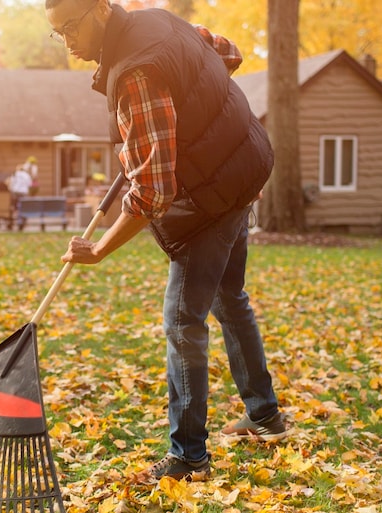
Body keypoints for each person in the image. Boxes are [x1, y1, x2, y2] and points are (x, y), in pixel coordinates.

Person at [45, 0, 287, 482]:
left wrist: (99, 249)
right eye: (58, 32)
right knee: (228, 297)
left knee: (182, 320)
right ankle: (265, 415)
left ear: (101, 10)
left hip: (216, 194)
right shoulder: (157, 18)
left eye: (71, 27)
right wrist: (188, 119)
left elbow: (154, 190)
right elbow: (225, 53)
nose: (68, 40)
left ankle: (189, 456)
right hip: (244, 167)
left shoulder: (136, 74)